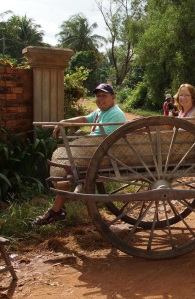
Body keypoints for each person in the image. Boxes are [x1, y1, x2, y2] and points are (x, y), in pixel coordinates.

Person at [34, 83, 126, 225]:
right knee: (61, 161)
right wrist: (64, 122)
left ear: (113, 97)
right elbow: (84, 119)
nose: (100, 99)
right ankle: (58, 208)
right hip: (96, 150)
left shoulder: (115, 113)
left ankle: (56, 210)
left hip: (104, 153)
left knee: (64, 165)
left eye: (104, 96)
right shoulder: (100, 112)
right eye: (98, 96)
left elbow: (104, 141)